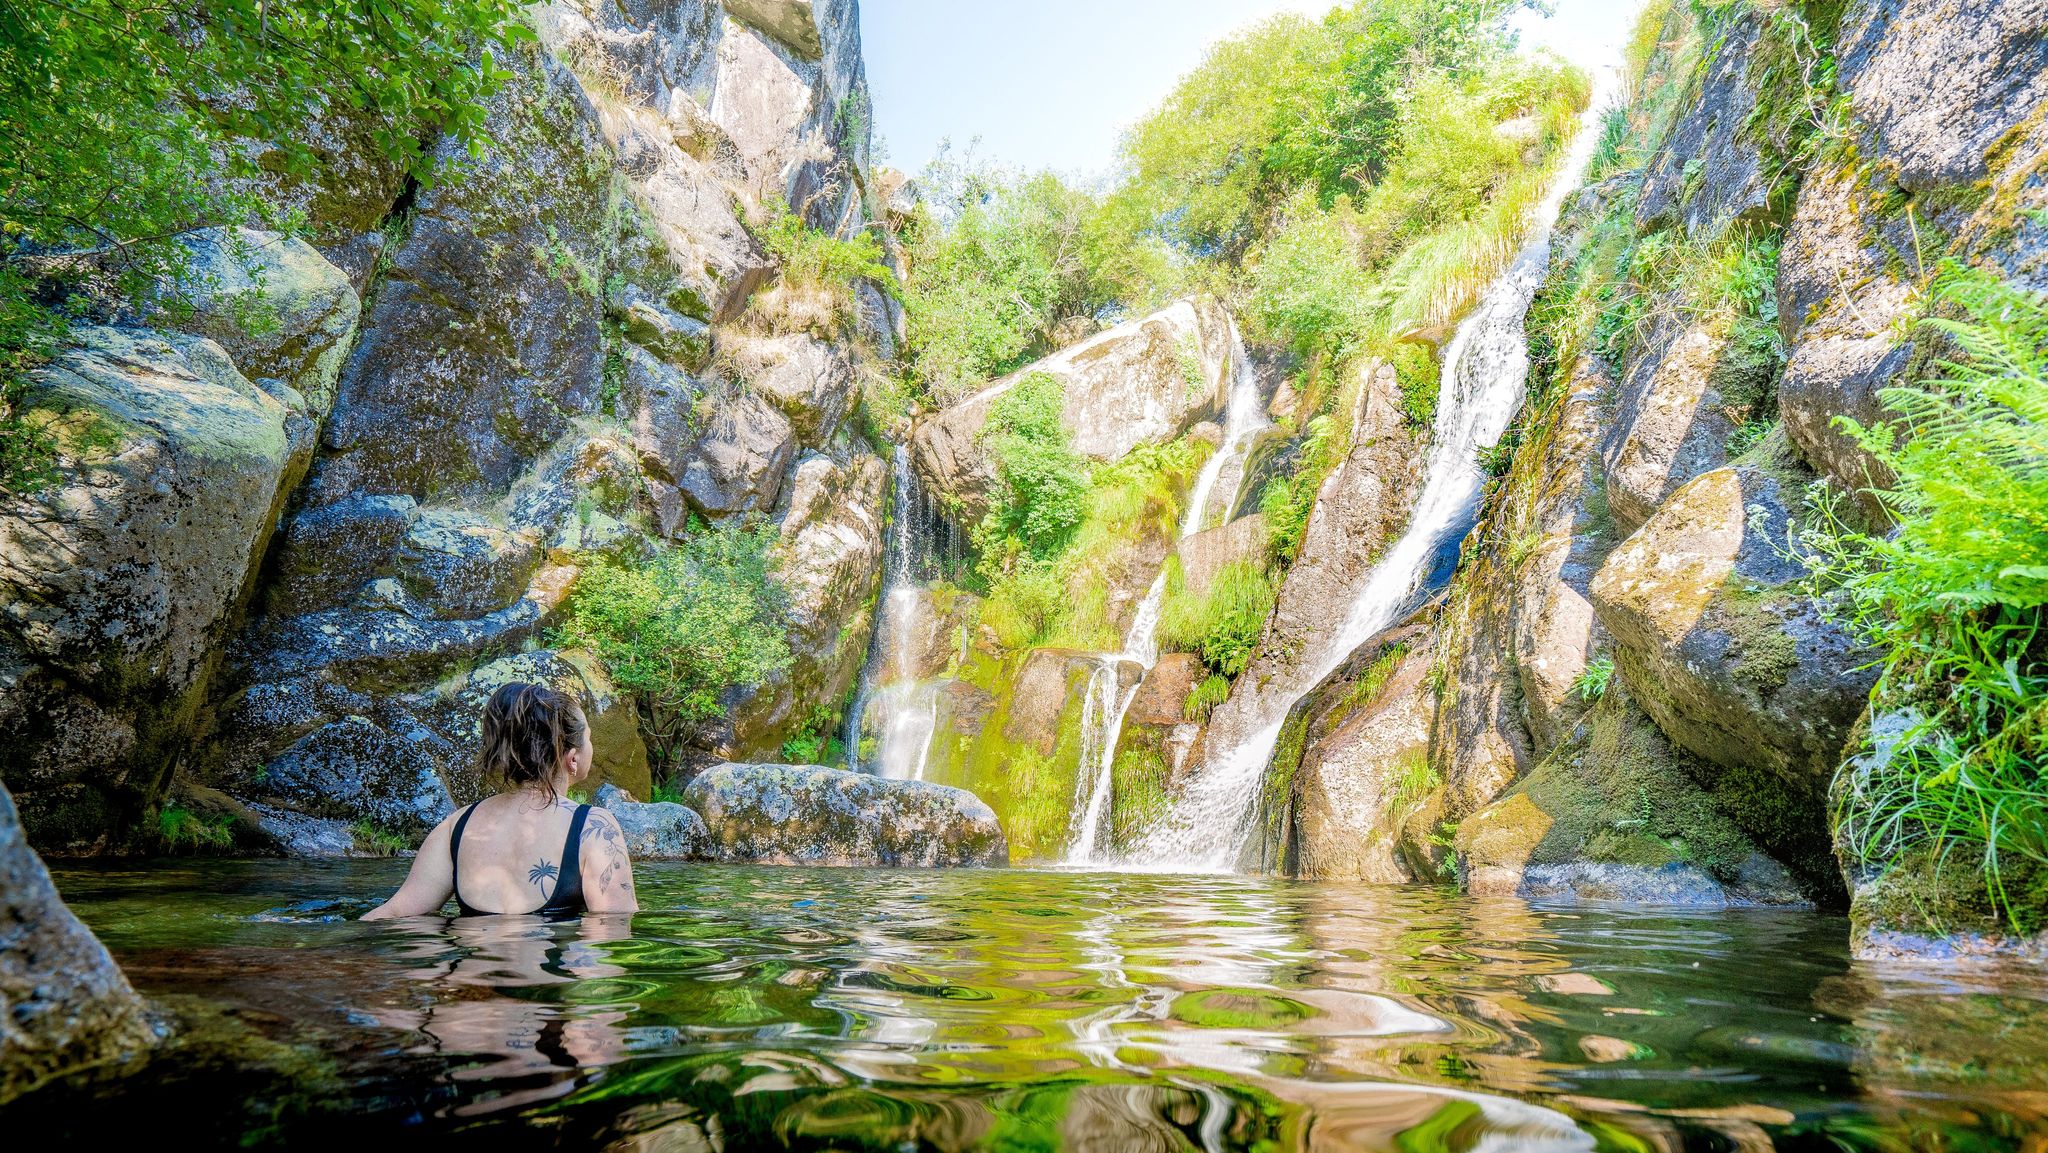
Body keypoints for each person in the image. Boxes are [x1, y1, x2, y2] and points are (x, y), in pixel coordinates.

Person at [363, 682, 638, 920]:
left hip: (468, 979)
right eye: (589, 738)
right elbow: (612, 925)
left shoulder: (457, 826)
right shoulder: (594, 827)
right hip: (547, 979)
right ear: (573, 758)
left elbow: (396, 913)